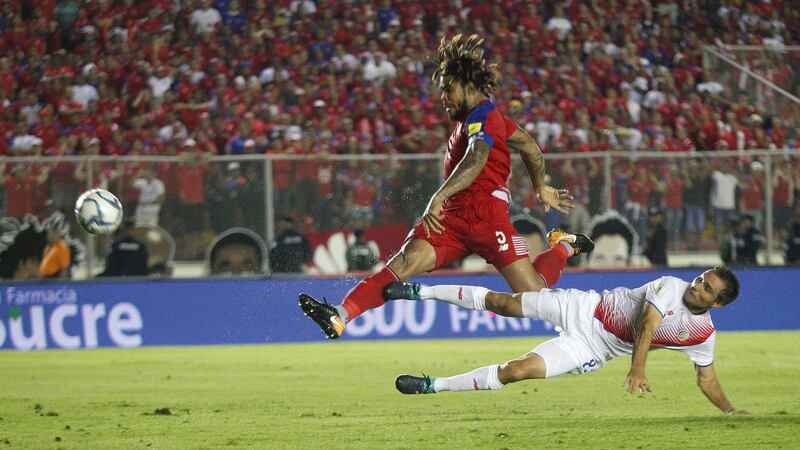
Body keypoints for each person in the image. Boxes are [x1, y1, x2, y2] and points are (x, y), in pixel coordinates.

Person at [299, 34, 581, 339]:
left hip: (487, 218)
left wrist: (439, 195)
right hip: (452, 218)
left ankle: (564, 246)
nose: (443, 97)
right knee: (404, 263)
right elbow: (528, 146)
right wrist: (540, 186)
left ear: (469, 85)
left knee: (534, 297)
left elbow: (477, 157)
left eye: (448, 88)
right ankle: (340, 315)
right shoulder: (480, 120)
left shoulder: (484, 116)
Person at [385, 265, 749, 416]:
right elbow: (647, 325)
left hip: (592, 348)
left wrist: (731, 411)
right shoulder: (671, 286)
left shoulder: (702, 335)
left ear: (717, 304)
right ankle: (422, 292)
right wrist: (638, 369)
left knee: (517, 371)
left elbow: (707, 379)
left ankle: (434, 386)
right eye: (701, 278)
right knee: (502, 303)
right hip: (583, 308)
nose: (697, 286)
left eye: (706, 289)